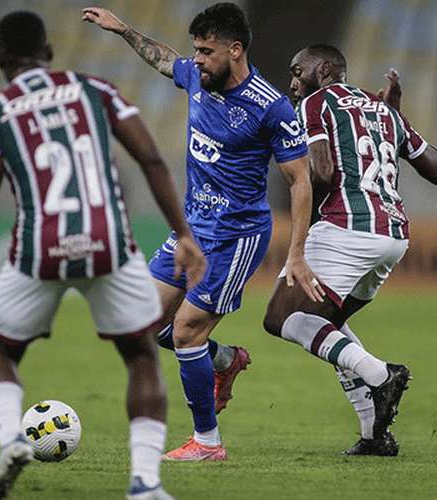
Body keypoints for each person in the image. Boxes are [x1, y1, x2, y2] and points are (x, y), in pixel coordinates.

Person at [0, 11, 205, 500]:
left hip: (38, 248)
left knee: (0, 353)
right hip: (108, 242)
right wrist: (183, 233)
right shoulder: (95, 91)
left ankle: (10, 441)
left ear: (0, 59)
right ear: (49, 53)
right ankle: (145, 483)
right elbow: (149, 159)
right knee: (141, 356)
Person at [83, 3, 323, 461]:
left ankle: (208, 444)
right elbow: (162, 58)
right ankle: (225, 360)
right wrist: (122, 30)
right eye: (196, 49)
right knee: (145, 326)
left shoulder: (271, 108)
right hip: (193, 229)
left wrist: (296, 253)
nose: (197, 59)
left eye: (206, 51)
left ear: (235, 50)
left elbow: (300, 181)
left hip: (236, 236)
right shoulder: (197, 77)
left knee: (186, 333)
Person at [263, 45, 437, 456]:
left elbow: (324, 173)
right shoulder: (383, 108)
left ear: (325, 70)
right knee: (327, 324)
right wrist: (398, 116)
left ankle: (382, 374)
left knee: (281, 318)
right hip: (393, 236)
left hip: (346, 227)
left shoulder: (315, 103)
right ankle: (373, 434)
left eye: (299, 71)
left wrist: (286, 162)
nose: (293, 82)